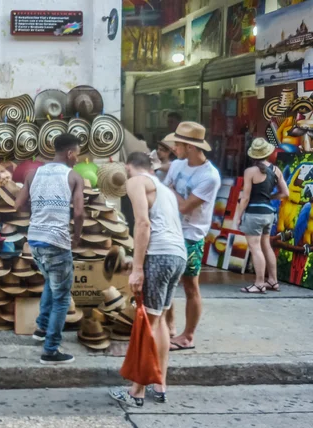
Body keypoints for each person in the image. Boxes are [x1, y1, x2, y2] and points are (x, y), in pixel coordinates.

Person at [109, 152, 187, 407]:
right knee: (160, 319)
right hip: (177, 256)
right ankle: (160, 384)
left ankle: (136, 392)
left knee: (147, 324)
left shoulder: (135, 181)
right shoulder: (164, 189)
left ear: (128, 167)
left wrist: (138, 268)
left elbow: (142, 224)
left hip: (160, 255)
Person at [14, 133, 85, 365]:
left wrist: (39, 217)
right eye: (78, 153)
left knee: (51, 283)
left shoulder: (33, 174)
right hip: (57, 242)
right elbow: (78, 212)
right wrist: (76, 237)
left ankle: (41, 329)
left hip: (34, 241)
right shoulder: (74, 177)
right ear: (70, 153)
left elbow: (18, 205)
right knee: (62, 298)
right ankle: (51, 350)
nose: (78, 158)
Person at [162, 121, 221, 351]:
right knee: (166, 282)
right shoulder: (178, 165)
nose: (174, 147)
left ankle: (188, 336)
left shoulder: (210, 176)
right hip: (171, 229)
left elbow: (185, 206)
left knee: (190, 286)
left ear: (189, 147)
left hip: (192, 234)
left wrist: (169, 190)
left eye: (177, 144)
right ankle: (170, 327)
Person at [234, 138, 288, 293]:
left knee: (255, 248)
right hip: (268, 214)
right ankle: (273, 281)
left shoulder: (250, 171)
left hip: (254, 214)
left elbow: (245, 197)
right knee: (266, 245)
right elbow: (285, 193)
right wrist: (270, 198)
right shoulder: (276, 170)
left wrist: (238, 216)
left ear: (253, 155)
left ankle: (259, 283)